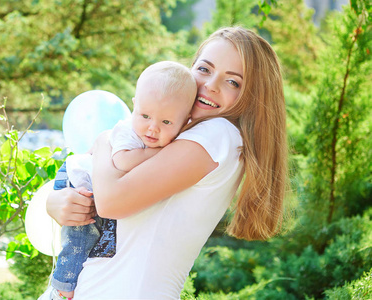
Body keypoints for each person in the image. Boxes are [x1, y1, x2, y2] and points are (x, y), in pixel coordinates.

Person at [45, 26, 288, 300]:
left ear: (253, 96)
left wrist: (103, 141)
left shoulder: (219, 135)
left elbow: (112, 202)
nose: (210, 85)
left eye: (233, 82)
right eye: (204, 69)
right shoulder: (169, 133)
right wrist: (58, 202)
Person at [42, 61, 197, 300]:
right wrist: (163, 153)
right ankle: (63, 284)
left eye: (166, 122)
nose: (152, 128)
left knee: (94, 234)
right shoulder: (126, 131)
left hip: (98, 184)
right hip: (77, 178)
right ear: (134, 106)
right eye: (145, 116)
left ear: (186, 120)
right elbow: (123, 161)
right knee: (80, 236)